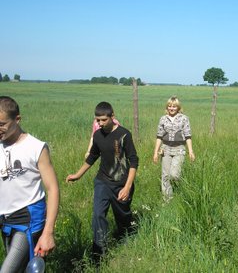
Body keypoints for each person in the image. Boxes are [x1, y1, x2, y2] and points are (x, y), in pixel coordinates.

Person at [66, 102, 139, 260]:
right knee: (98, 214)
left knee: (123, 216)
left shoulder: (124, 134)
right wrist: (78, 175)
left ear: (113, 117)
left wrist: (127, 187)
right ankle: (98, 253)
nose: (100, 123)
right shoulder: (97, 135)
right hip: (102, 181)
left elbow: (133, 161)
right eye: (97, 120)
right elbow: (92, 157)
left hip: (121, 182)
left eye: (103, 120)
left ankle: (128, 237)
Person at [0, 96, 59, 273]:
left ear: (17, 119)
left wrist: (48, 233)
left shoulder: (36, 147)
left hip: (28, 218)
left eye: (2, 124)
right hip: (4, 219)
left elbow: (53, 188)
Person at [153, 96, 195, 202]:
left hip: (179, 149)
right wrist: (155, 153)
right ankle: (167, 200)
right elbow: (159, 136)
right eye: (170, 106)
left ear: (178, 107)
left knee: (175, 175)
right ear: (167, 107)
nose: (172, 108)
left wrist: (191, 151)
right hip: (165, 149)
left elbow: (188, 136)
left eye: (174, 106)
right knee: (165, 175)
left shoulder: (184, 118)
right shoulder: (163, 119)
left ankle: (177, 189)